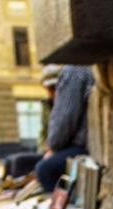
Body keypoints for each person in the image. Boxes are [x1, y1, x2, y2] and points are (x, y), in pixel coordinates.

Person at [35, 64, 94, 192]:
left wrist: (53, 147)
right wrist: (48, 148)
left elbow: (64, 121)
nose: (53, 92)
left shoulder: (74, 71)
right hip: (71, 144)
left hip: (81, 146)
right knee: (24, 162)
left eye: (54, 88)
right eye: (50, 89)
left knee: (45, 169)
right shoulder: (48, 103)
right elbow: (45, 133)